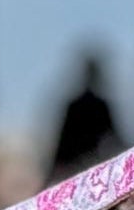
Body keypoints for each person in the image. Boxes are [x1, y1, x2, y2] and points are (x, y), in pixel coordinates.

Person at [47, 51, 122, 183]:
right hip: (87, 166)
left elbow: (62, 144)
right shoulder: (97, 105)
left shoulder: (78, 105)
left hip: (82, 167)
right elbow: (114, 137)